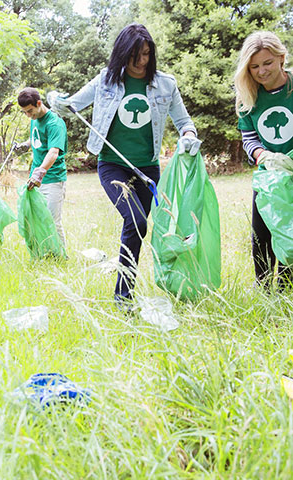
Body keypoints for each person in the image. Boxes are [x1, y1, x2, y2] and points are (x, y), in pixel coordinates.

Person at [50, 23, 201, 309]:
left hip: (147, 167)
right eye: (135, 55)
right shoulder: (105, 80)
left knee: (136, 228)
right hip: (113, 165)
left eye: (146, 54)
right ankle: (123, 297)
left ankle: (124, 294)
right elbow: (72, 105)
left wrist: (189, 137)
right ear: (122, 53)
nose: (141, 61)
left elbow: (184, 123)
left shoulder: (166, 84)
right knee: (137, 221)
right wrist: (56, 100)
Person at [235, 30, 293, 290]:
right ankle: (264, 289)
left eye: (267, 63)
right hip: (268, 176)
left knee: (289, 231)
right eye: (254, 66)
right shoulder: (248, 96)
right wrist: (263, 155)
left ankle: (285, 289)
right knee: (262, 234)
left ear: (281, 58)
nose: (261, 71)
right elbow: (249, 138)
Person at [16, 87, 68, 247]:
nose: (28, 115)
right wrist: (25, 145)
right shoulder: (34, 119)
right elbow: (38, 138)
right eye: (25, 112)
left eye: (30, 111)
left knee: (52, 220)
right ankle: (44, 252)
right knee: (36, 218)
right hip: (35, 178)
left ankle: (61, 255)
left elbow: (53, 151)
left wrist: (40, 173)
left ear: (39, 103)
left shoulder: (54, 123)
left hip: (52, 178)